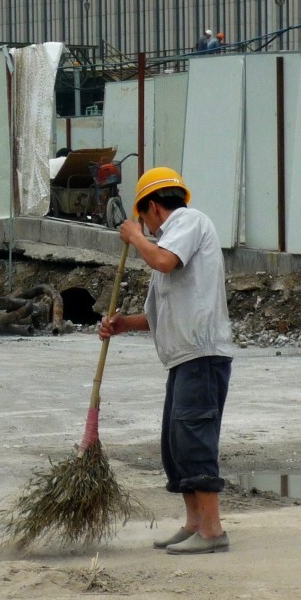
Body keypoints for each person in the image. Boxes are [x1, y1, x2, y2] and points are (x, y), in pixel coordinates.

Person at [98, 167, 233, 555]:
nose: (147, 229)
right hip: (182, 357)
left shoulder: (189, 222)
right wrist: (122, 324)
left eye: (145, 221)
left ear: (152, 208)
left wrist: (135, 236)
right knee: (175, 444)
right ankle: (193, 524)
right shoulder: (168, 242)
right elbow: (158, 315)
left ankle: (212, 530)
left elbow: (162, 262)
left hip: (202, 353)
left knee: (194, 437)